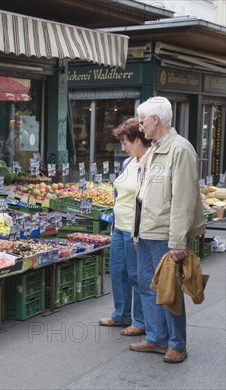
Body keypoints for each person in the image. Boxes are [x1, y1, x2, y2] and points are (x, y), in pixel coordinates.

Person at [130, 96, 206, 363]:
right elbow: (145, 195)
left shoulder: (181, 150)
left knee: (169, 290)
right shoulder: (153, 150)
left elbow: (183, 199)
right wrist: (136, 232)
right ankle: (156, 338)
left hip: (165, 235)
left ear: (155, 120)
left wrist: (177, 241)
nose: (140, 128)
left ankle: (177, 344)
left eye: (142, 122)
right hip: (146, 231)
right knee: (148, 287)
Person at [98, 118, 150, 336]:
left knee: (135, 274)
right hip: (119, 227)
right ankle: (121, 314)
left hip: (135, 228)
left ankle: (139, 320)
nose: (123, 147)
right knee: (118, 271)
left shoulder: (148, 163)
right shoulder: (127, 163)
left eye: (125, 142)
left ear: (138, 141)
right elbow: (118, 194)